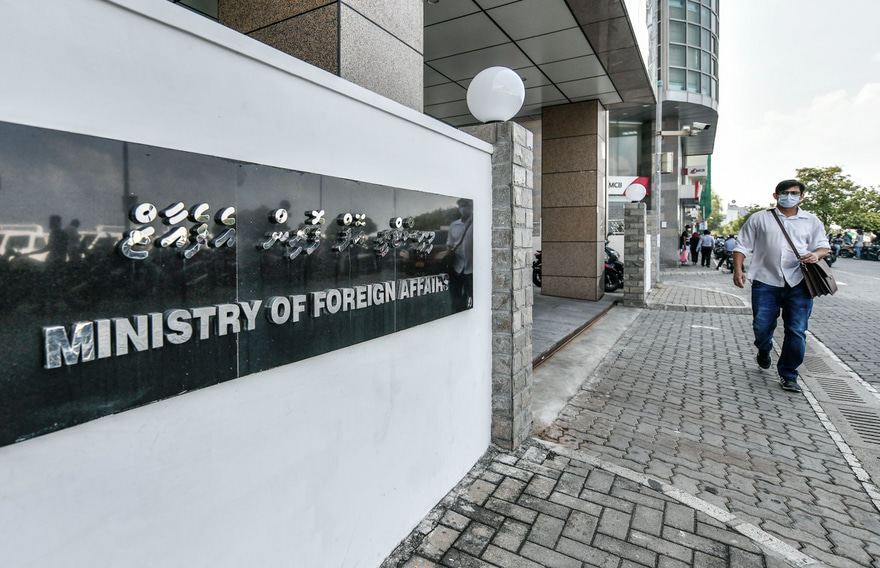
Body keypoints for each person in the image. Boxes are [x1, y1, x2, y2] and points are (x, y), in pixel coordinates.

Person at [732, 179, 830, 393]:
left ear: (801, 196)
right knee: (761, 326)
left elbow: (823, 246)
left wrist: (816, 255)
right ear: (775, 196)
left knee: (796, 330)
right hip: (765, 281)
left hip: (800, 283)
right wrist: (738, 269)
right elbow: (742, 246)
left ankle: (788, 374)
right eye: (784, 193)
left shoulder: (811, 220)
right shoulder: (759, 218)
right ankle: (764, 348)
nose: (789, 196)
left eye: (794, 193)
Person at [447, 198, 473, 311]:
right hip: (456, 269)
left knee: (472, 299)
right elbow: (450, 243)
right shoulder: (454, 225)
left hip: (472, 270)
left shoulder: (477, 224)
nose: (464, 208)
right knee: (456, 300)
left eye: (466, 205)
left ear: (471, 207)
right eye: (461, 206)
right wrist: (449, 253)